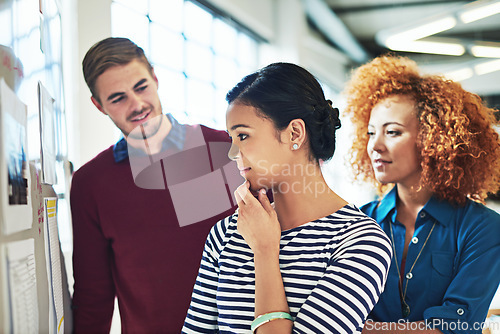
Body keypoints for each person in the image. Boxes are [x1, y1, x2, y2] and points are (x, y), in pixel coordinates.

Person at [182, 62, 393, 334]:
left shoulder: (360, 242)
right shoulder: (225, 234)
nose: (233, 153)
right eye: (232, 138)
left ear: (295, 133)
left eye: (243, 136)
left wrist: (265, 250)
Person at [70, 37, 240, 333]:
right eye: (117, 98)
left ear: (155, 78)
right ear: (99, 106)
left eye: (141, 87)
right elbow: (93, 299)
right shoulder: (91, 184)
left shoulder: (224, 150)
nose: (137, 105)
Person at [342, 54, 500, 334]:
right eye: (369, 132)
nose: (375, 145)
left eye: (392, 132)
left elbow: (456, 326)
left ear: (433, 140)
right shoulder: (356, 221)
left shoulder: (483, 227)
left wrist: (364, 329)